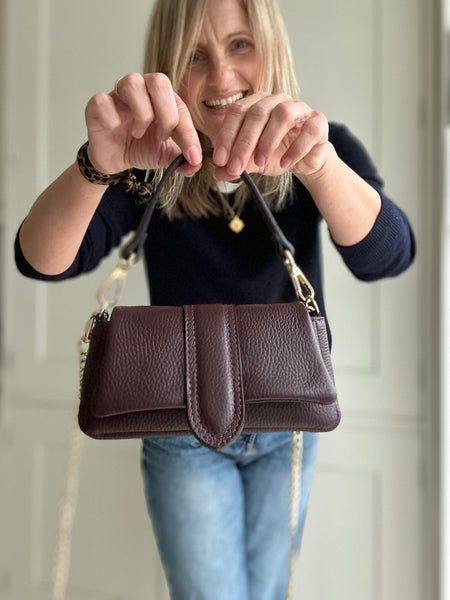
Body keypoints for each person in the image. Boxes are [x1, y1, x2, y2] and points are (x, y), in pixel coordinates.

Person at [14, 0, 416, 598]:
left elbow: (390, 255)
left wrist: (317, 164)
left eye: (239, 45)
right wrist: (97, 165)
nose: (222, 76)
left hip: (289, 420)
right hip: (181, 432)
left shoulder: (320, 147)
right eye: (196, 55)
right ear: (171, 72)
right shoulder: (149, 166)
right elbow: (42, 259)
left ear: (270, 48)